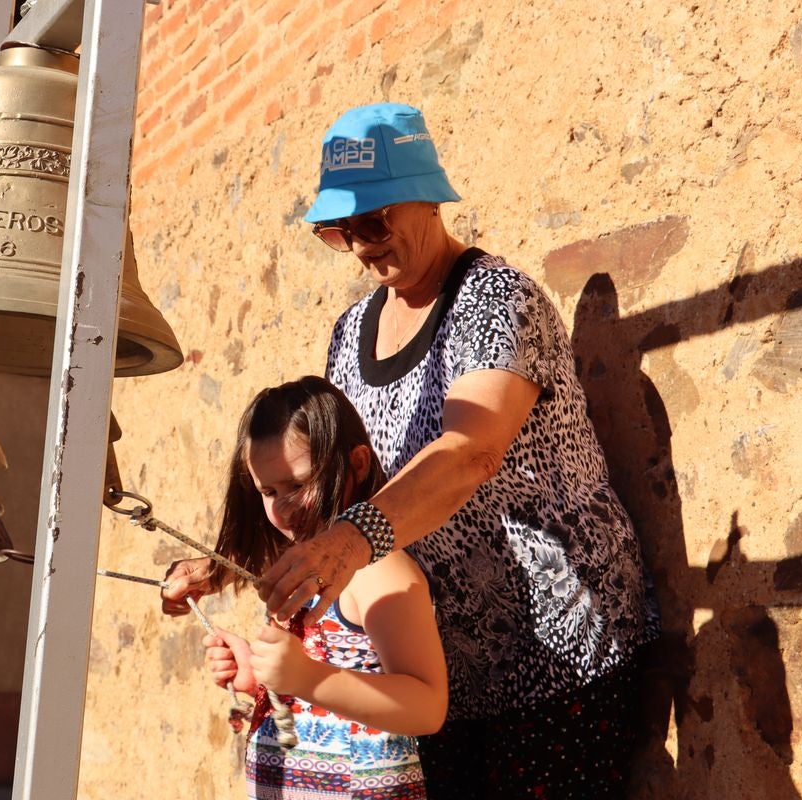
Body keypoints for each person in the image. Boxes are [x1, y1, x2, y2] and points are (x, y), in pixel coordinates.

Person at [164, 103, 658, 797]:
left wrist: (347, 543)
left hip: (556, 648)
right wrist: (226, 565)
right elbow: (333, 479)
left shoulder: (496, 300)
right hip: (441, 675)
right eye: (339, 231)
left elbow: (470, 451)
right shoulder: (351, 332)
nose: (361, 246)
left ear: (427, 198)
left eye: (373, 222)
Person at [200, 376, 446, 799]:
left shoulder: (378, 571)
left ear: (358, 464)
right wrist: (259, 676)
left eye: (297, 485)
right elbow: (321, 674)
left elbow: (427, 706)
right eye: (268, 491)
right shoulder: (296, 562)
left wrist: (307, 677)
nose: (281, 506)